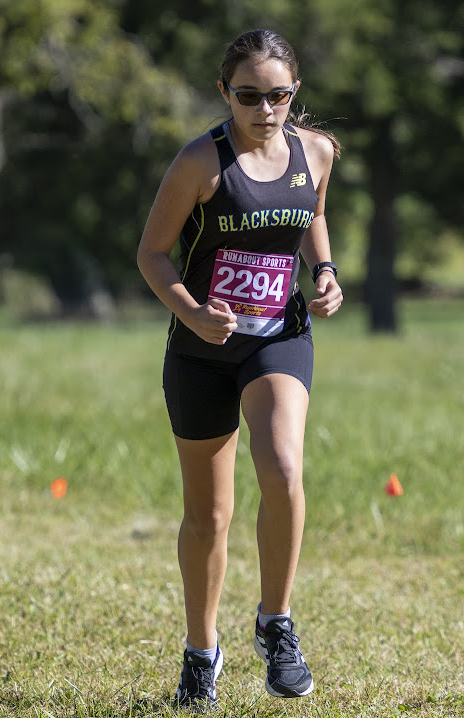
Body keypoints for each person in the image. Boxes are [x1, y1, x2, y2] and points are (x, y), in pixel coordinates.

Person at [137, 30, 343, 708]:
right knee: (208, 517)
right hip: (200, 351)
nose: (265, 109)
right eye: (249, 96)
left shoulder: (316, 152)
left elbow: (311, 213)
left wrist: (325, 270)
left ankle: (275, 623)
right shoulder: (201, 162)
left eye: (278, 96)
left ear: (294, 93)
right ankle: (203, 653)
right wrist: (193, 312)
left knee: (282, 467)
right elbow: (152, 254)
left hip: (277, 337)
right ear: (224, 92)